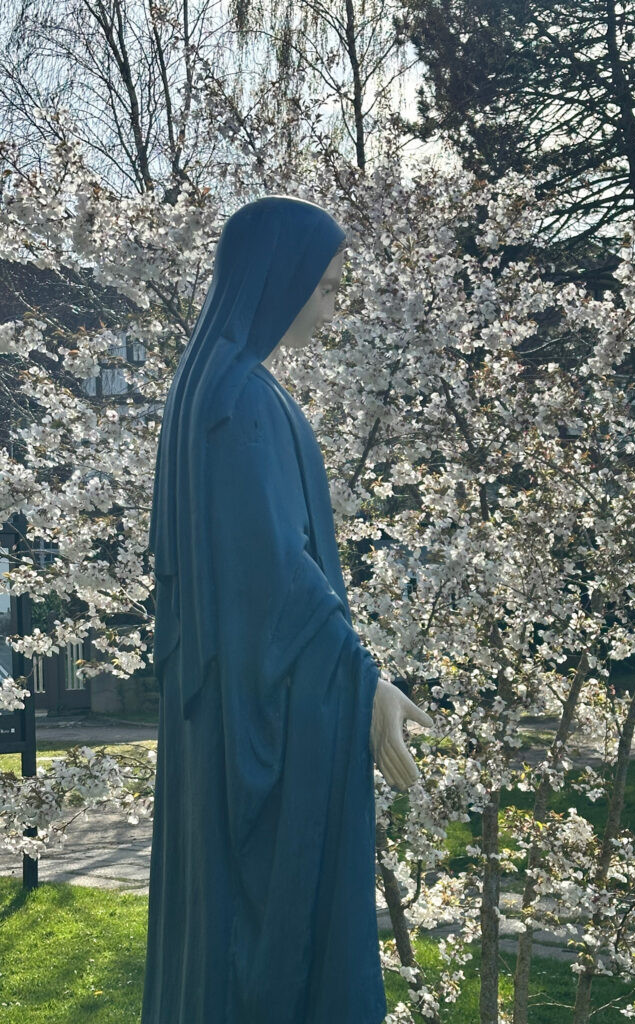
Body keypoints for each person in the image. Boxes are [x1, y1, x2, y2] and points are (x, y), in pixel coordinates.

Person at [142, 195, 433, 1024]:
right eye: (329, 288)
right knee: (265, 946)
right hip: (253, 735)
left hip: (217, 728)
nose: (334, 307)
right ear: (282, 278)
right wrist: (363, 679)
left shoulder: (202, 391)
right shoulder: (242, 403)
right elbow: (277, 572)